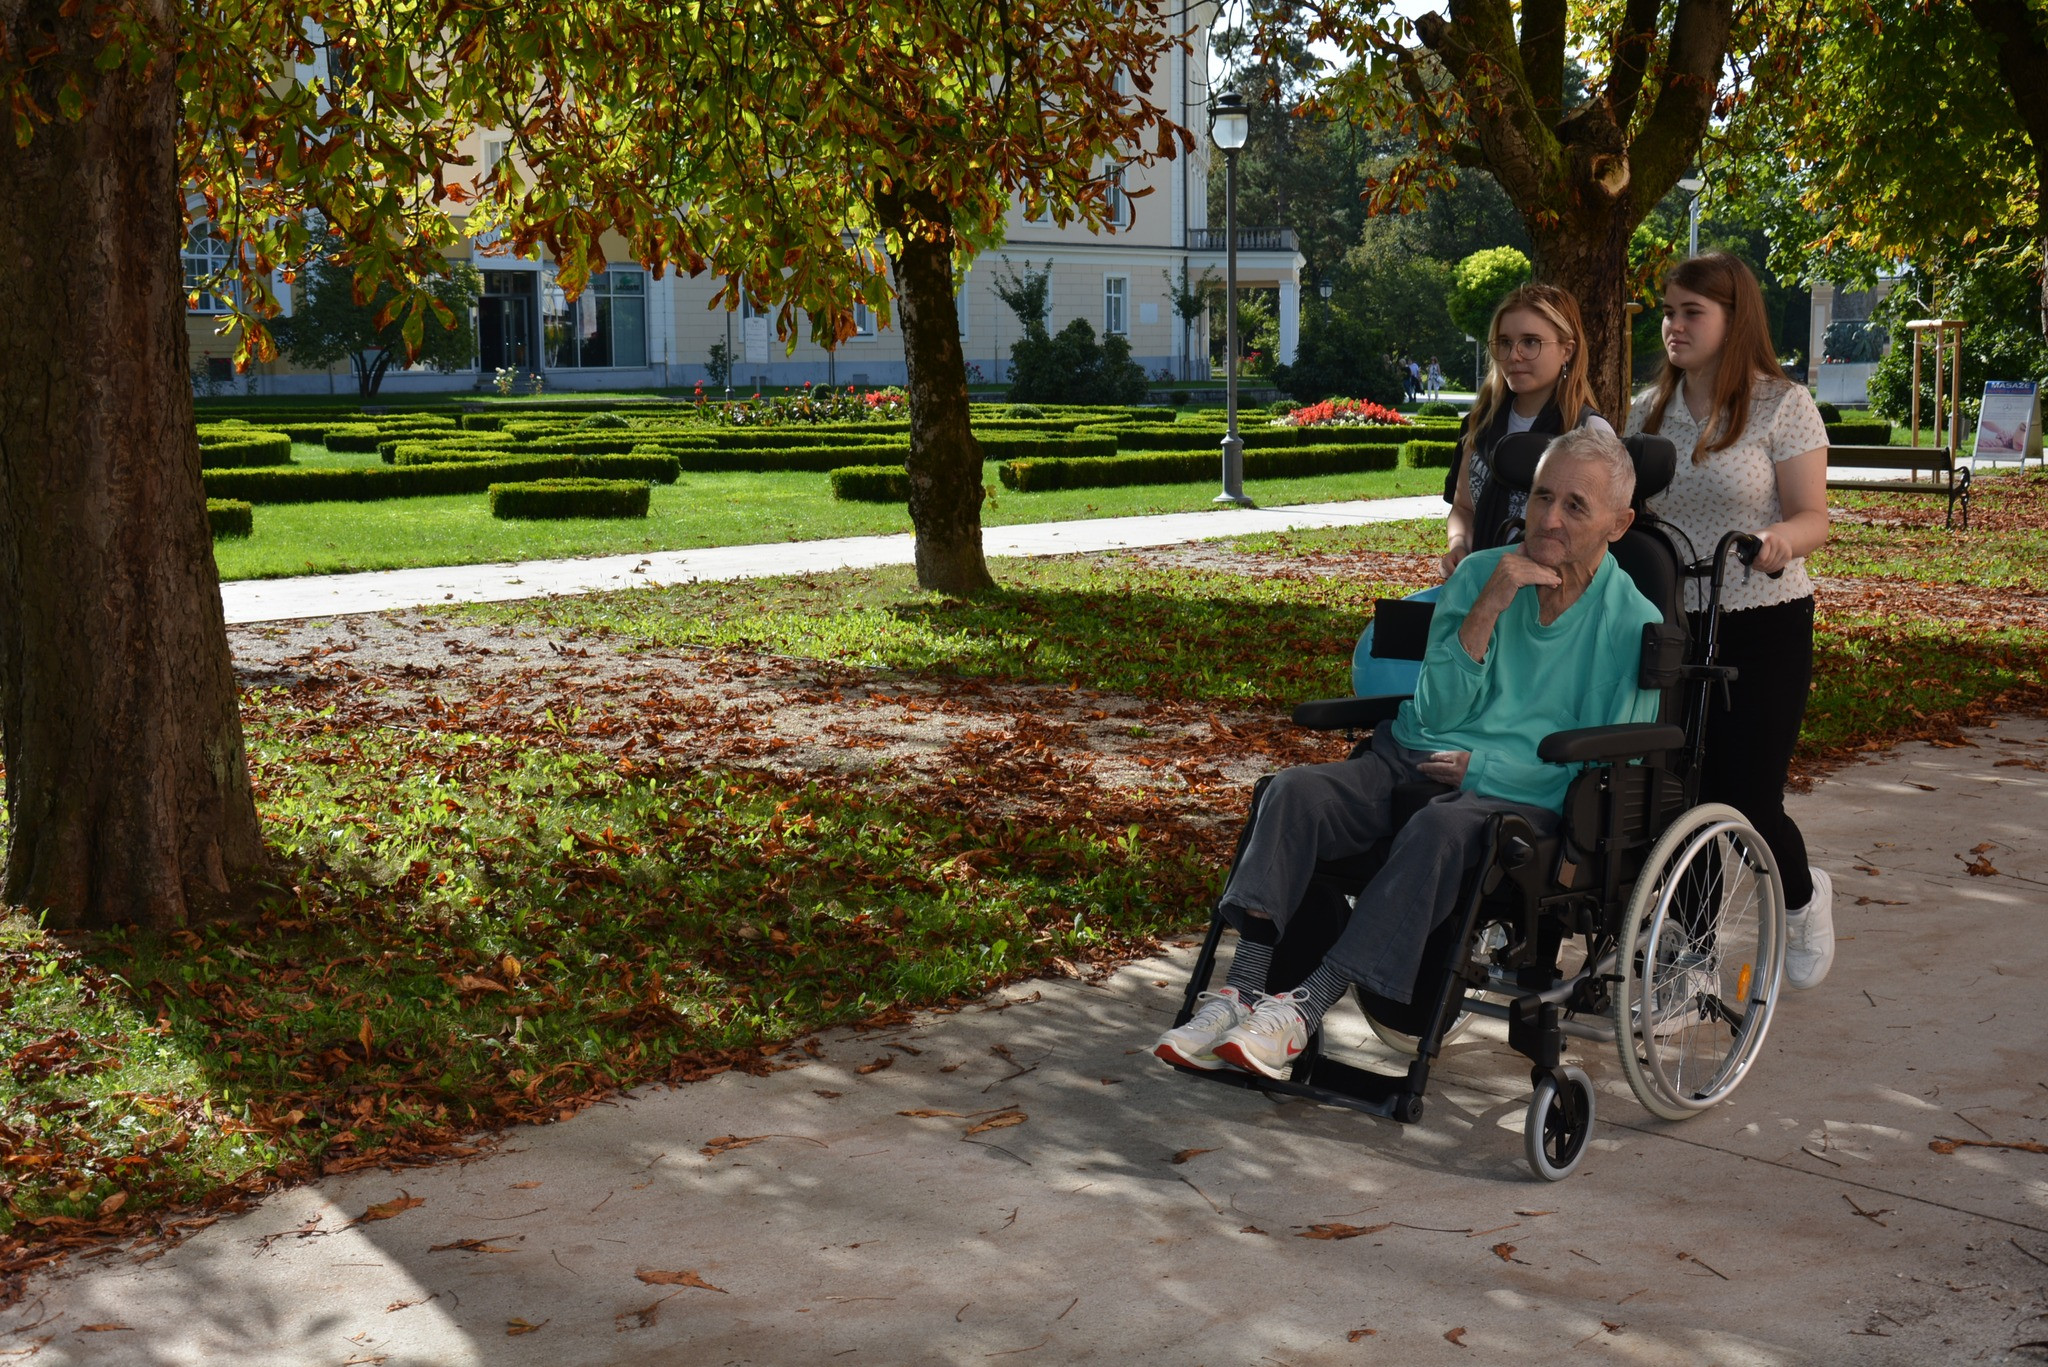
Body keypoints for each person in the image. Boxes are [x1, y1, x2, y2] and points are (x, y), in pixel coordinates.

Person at [1155, 428, 1664, 1078]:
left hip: (1518, 793)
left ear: (1618, 524)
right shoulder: (1482, 573)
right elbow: (1433, 714)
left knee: (1440, 825)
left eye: (1575, 506)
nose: (1550, 519)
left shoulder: (1633, 622)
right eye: (1542, 497)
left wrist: (1483, 769)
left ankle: (1302, 1011)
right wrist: (1488, 605)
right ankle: (1241, 994)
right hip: (1412, 757)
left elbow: (1609, 769)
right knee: (1292, 792)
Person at [1624, 251, 1835, 990]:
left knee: (1744, 796)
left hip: (1763, 620)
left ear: (1733, 318)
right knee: (1677, 790)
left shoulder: (1783, 405)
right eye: (1669, 311)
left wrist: (1780, 541)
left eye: (1692, 312)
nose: (1673, 326)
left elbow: (1813, 516)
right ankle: (1693, 954)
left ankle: (1802, 899)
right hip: (1669, 625)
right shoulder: (1646, 411)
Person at [1441, 284, 1612, 579]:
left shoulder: (1590, 433)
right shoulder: (1478, 424)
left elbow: (1602, 533)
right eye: (1504, 342)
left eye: (1530, 342)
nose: (1514, 355)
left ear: (1567, 350)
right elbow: (1463, 507)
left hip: (1555, 594)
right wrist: (1458, 544)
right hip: (1480, 583)